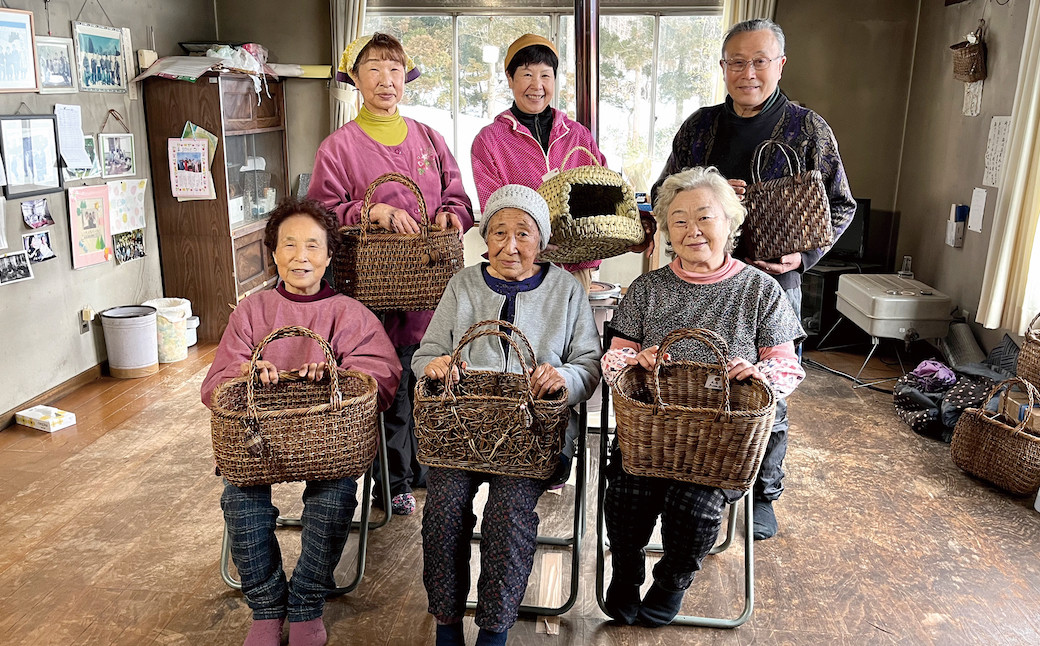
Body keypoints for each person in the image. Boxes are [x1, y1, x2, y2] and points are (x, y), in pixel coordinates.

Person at [653, 18, 855, 540]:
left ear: (780, 64)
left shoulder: (808, 129)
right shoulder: (699, 128)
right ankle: (699, 477)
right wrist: (711, 191)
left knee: (767, 391)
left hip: (769, 282)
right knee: (698, 383)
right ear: (722, 67)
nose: (747, 73)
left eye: (759, 61)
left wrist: (805, 254)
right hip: (696, 280)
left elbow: (841, 203)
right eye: (736, 62)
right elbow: (662, 192)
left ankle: (763, 492)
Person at [601, 167, 805, 627]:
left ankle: (673, 577)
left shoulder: (759, 290)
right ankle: (626, 569)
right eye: (678, 220)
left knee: (693, 505)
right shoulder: (647, 289)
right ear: (666, 230)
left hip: (721, 443)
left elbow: (788, 366)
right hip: (652, 435)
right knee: (627, 492)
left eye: (704, 217)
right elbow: (612, 362)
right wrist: (635, 361)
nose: (692, 230)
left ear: (730, 223)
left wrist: (758, 374)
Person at [200, 197, 401, 646]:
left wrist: (338, 375)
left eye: (312, 245)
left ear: (330, 254)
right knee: (239, 498)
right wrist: (250, 374)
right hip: (259, 444)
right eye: (288, 245)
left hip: (330, 447)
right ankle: (268, 604)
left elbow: (381, 378)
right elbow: (219, 382)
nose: (300, 256)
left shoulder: (350, 313)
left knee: (333, 498)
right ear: (273, 253)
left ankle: (308, 599)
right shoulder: (251, 311)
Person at [413, 185, 601, 646]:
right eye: (499, 232)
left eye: (523, 233)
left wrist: (562, 377)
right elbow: (428, 353)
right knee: (443, 506)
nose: (510, 245)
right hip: (461, 433)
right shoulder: (463, 284)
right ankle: (447, 622)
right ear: (484, 236)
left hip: (532, 438)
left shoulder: (566, 290)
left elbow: (589, 366)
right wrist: (437, 366)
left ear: (542, 241)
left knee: (508, 512)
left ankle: (494, 632)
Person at [308, 32, 474, 516]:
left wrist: (450, 215)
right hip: (370, 290)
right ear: (355, 78)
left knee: (429, 377)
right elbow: (322, 213)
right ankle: (390, 479)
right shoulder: (338, 147)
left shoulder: (429, 138)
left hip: (428, 288)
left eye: (396, 70)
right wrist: (369, 210)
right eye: (375, 69)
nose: (387, 80)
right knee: (387, 381)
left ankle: (423, 468)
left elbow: (459, 198)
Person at [470, 34, 653, 292]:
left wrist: (639, 220)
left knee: (574, 332)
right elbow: (493, 209)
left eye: (545, 75)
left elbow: (607, 193)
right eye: (526, 75)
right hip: (518, 267)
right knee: (519, 332)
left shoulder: (578, 135)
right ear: (510, 79)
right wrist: (534, 239)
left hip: (575, 265)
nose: (537, 85)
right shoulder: (489, 140)